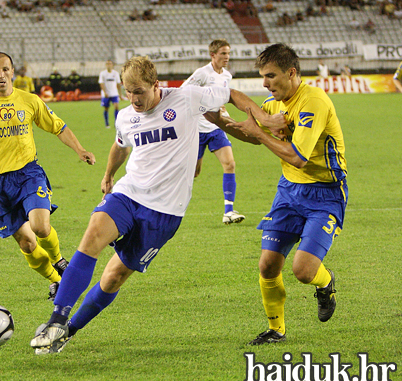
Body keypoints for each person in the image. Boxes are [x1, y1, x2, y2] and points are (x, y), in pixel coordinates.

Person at [29, 55, 286, 355]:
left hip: (165, 212)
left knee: (114, 277)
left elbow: (230, 94)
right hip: (129, 193)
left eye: (139, 91)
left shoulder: (187, 98)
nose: (134, 98)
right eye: (128, 91)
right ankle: (57, 320)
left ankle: (69, 331)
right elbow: (120, 144)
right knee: (92, 235)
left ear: (156, 84)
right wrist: (109, 174)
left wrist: (264, 119)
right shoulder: (126, 116)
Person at [225, 43, 347, 345]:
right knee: (267, 264)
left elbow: (297, 157)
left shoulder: (313, 102)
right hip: (289, 191)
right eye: (263, 77)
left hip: (325, 192)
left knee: (304, 271)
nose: (265, 84)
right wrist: (221, 121)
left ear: (291, 73)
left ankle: (326, 281)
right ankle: (276, 330)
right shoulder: (275, 102)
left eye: (270, 76)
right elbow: (253, 132)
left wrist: (258, 131)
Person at [0, 52, 96, 300]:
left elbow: (58, 126)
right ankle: (57, 280)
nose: (0, 75)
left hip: (28, 174)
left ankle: (59, 260)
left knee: (40, 226)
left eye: (5, 69)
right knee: (27, 244)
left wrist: (80, 149)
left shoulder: (29, 100)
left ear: (13, 72)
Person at [182, 39, 245, 225]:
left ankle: (229, 211)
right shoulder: (202, 73)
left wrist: (223, 111)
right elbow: (182, 92)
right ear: (213, 55)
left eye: (228, 53)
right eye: (223, 54)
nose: (227, 57)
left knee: (230, 164)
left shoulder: (227, 76)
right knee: (194, 173)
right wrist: (199, 107)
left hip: (216, 127)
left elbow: (220, 98)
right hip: (197, 129)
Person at [98, 60, 123, 128]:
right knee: (106, 108)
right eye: (107, 64)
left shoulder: (116, 73)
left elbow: (118, 84)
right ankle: (107, 123)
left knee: (116, 106)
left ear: (112, 65)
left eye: (110, 64)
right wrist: (105, 92)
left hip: (114, 93)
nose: (109, 65)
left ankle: (116, 123)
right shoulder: (103, 73)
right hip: (106, 94)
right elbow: (101, 83)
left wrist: (120, 94)